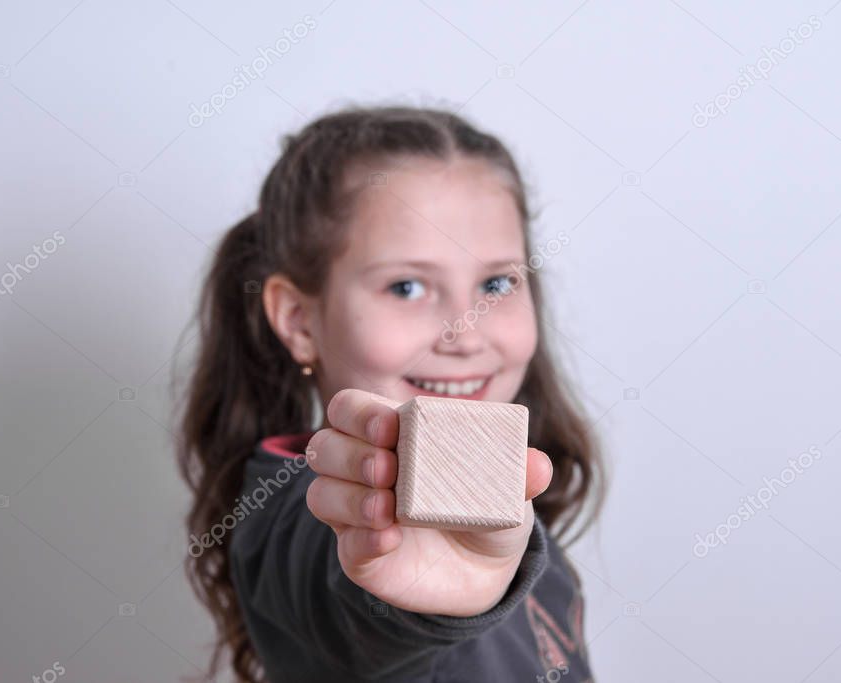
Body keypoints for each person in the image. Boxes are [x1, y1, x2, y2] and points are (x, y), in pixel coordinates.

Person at [176, 105, 606, 682]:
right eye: (406, 287)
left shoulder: (508, 505)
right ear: (300, 321)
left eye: (496, 283)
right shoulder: (306, 517)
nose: (467, 332)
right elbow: (341, 593)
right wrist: (412, 602)